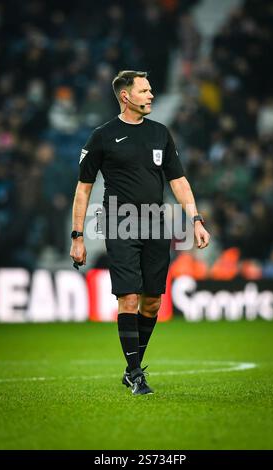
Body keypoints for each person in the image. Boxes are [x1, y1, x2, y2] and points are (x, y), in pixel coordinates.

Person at [70, 70, 210, 395]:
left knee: (151, 303)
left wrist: (197, 220)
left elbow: (178, 181)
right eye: (145, 91)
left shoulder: (161, 133)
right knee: (129, 297)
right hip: (120, 221)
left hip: (156, 222)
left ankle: (132, 366)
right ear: (125, 96)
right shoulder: (103, 136)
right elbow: (83, 189)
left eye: (151, 90)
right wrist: (78, 236)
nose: (151, 96)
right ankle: (135, 372)